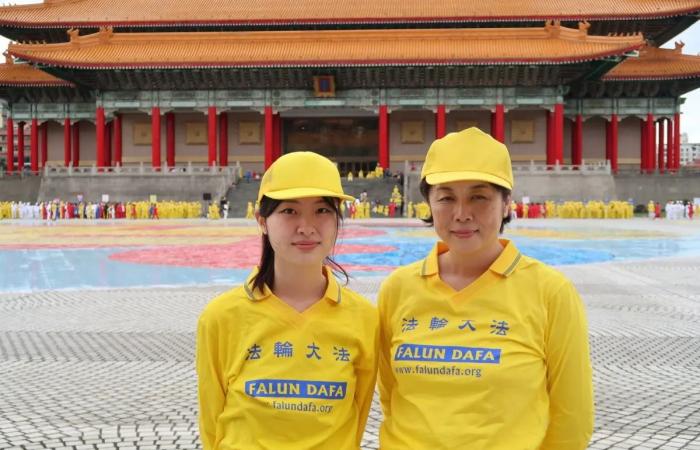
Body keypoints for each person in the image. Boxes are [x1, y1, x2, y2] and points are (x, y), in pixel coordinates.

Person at [377, 128, 594, 449]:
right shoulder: (398, 289)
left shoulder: (550, 292)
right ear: (429, 204)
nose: (462, 214)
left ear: (507, 203)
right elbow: (391, 395)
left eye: (479, 196)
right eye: (446, 197)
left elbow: (572, 417)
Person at [196, 151, 378, 450]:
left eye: (322, 211)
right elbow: (212, 424)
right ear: (262, 221)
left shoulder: (364, 319)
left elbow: (357, 417)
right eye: (289, 211)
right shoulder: (222, 317)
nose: (306, 226)